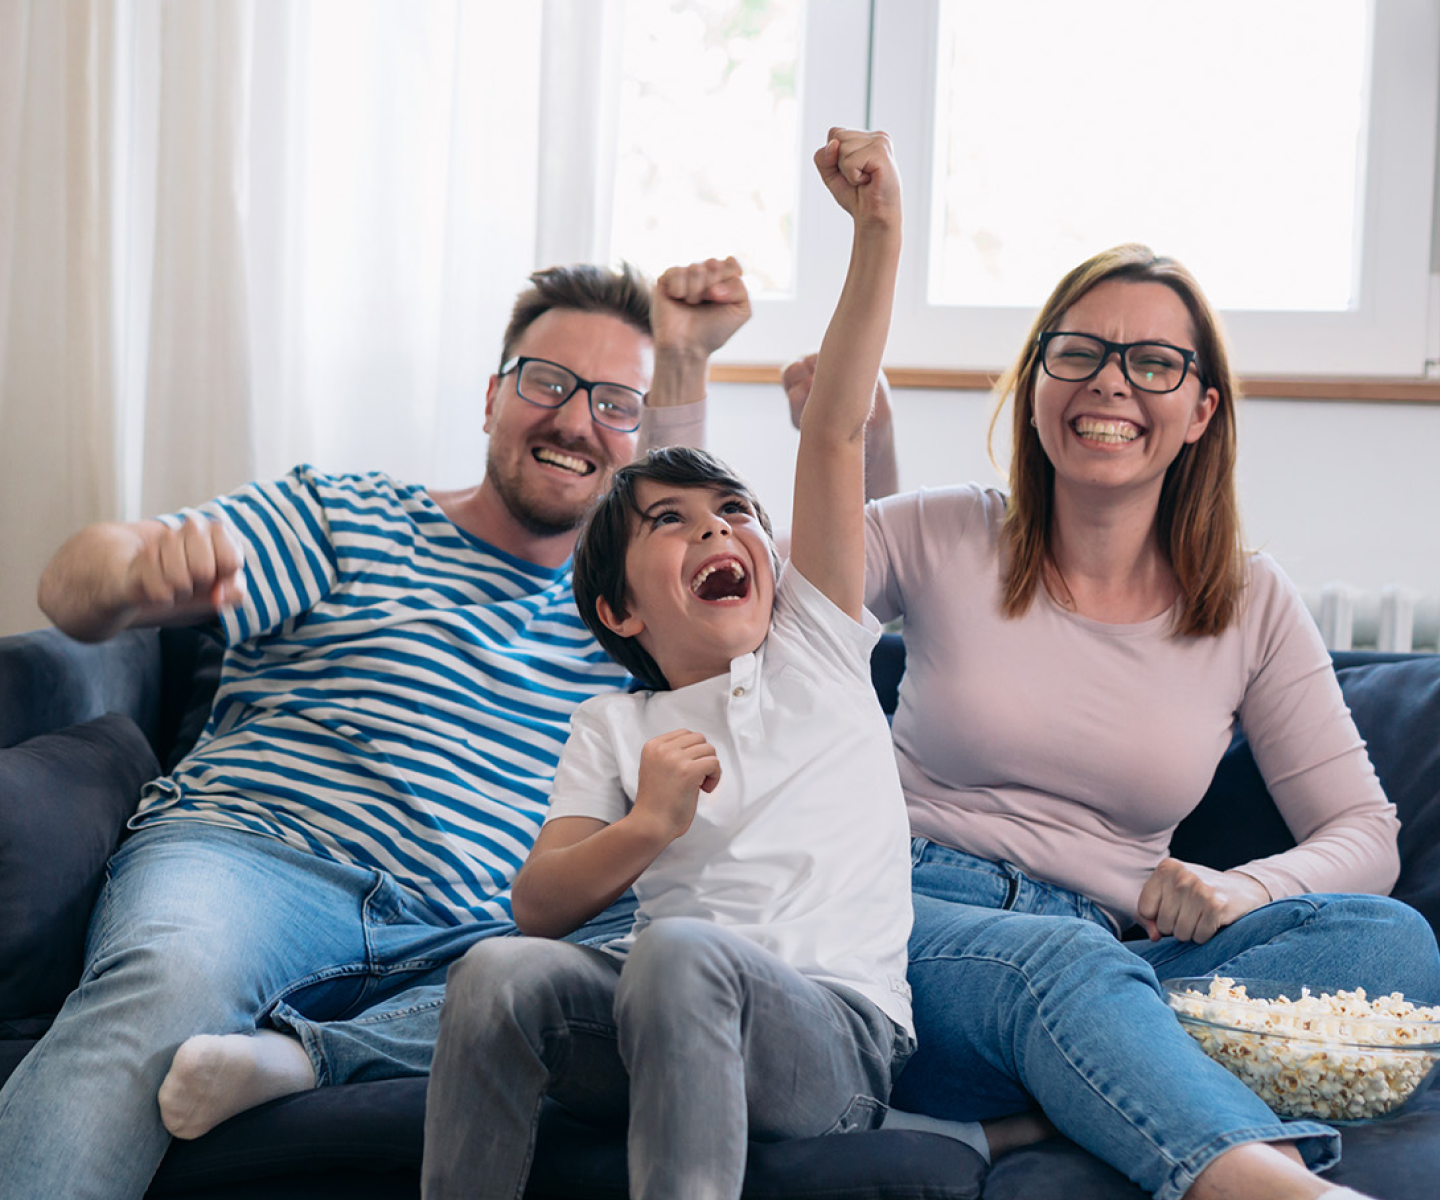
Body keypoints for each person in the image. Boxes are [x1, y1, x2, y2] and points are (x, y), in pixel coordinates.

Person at [0, 255, 751, 1200]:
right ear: (492, 397)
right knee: (159, 984)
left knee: (639, 965)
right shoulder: (350, 513)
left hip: (471, 941)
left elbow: (747, 581)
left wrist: (683, 363)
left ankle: (308, 1058)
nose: (573, 420)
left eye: (614, 404)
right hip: (256, 863)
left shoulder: (631, 620)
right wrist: (129, 578)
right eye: (549, 384)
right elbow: (82, 573)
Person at [784, 243, 1440, 1200]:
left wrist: (1243, 892)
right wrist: (842, 427)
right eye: (1079, 352)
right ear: (1037, 379)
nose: (1110, 384)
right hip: (903, 917)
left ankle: (1050, 1100)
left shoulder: (1251, 601)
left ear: (1201, 410)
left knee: (1390, 945)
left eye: (1154, 363)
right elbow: (782, 610)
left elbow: (1367, 834)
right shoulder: (941, 530)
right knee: (1066, 965)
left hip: (1106, 944)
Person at [421, 127, 913, 1200]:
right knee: (498, 971)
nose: (718, 532)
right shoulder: (615, 728)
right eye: (674, 525)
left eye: (735, 514)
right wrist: (648, 826)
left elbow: (832, 434)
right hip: (654, 1018)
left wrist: (877, 231)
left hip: (829, 1038)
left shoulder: (819, 652)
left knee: (681, 950)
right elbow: (538, 910)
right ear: (619, 609)